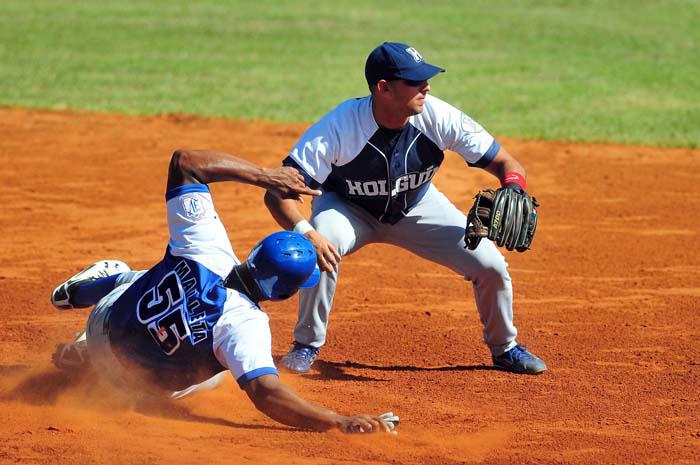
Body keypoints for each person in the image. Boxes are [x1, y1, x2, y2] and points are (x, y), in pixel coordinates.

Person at [50, 148, 397, 434]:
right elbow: (266, 393)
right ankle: (85, 360)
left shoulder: (206, 245)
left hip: (102, 322)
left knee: (145, 278)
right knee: (222, 374)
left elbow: (185, 162)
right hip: (128, 387)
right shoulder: (245, 326)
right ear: (285, 294)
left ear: (256, 253)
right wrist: (337, 420)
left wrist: (265, 176)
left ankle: (81, 294)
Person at [265, 41, 547, 375]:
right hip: (347, 208)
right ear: (383, 88)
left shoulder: (438, 116)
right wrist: (306, 232)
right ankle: (306, 345)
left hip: (418, 205)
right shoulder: (339, 127)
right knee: (323, 244)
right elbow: (277, 193)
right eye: (414, 81)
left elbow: (505, 161)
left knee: (490, 265)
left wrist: (513, 185)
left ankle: (505, 348)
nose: (425, 86)